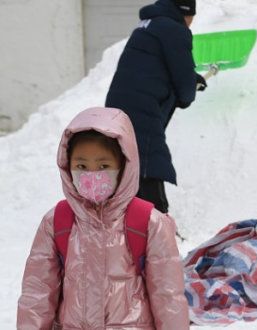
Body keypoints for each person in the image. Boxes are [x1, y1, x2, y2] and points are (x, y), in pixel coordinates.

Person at [17, 107, 189, 329]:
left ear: (124, 165)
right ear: (67, 167)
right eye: (81, 166)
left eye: (103, 166)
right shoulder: (57, 222)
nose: (91, 174)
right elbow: (37, 293)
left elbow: (168, 297)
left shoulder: (149, 222)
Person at [106, 0, 206, 213]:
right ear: (185, 12)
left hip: (119, 105)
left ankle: (127, 220)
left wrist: (192, 79)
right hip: (141, 110)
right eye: (191, 18)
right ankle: (158, 219)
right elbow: (183, 80)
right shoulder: (175, 30)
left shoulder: (147, 25)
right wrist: (188, 93)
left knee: (128, 161)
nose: (190, 23)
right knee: (148, 161)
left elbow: (154, 68)